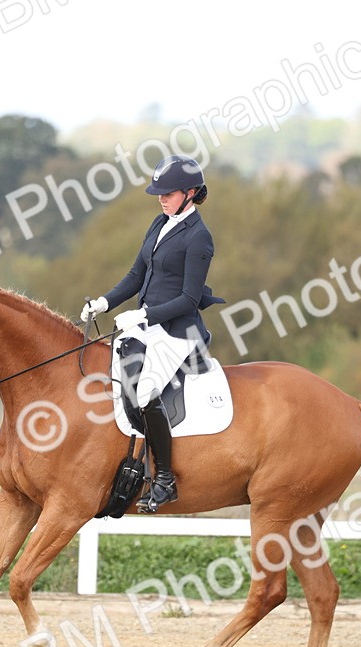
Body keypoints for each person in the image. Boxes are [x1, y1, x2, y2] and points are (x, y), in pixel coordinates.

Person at [81, 154, 223, 512]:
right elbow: (136, 275)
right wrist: (104, 302)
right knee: (112, 372)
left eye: (168, 194)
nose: (161, 199)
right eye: (159, 193)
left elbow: (189, 298)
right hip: (147, 325)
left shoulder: (200, 238)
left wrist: (143, 314)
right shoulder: (159, 223)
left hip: (177, 332)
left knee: (144, 391)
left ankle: (164, 479)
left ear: (190, 193)